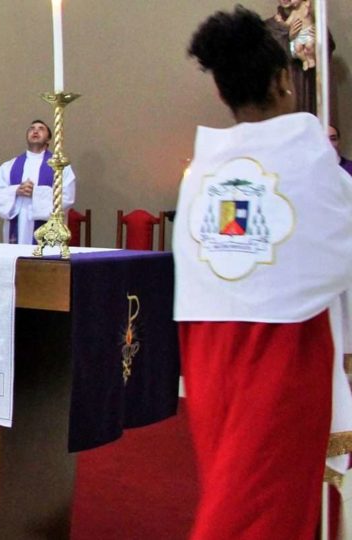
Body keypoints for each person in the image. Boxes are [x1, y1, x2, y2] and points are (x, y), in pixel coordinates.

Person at [176, 7, 352, 539]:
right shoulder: (309, 156)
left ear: (220, 93)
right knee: (260, 507)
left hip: (208, 349)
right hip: (282, 350)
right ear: (283, 80)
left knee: (232, 482)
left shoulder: (202, 169)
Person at [0, 120, 75, 244]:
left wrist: (36, 193)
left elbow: (67, 197)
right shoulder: (9, 166)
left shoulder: (60, 167)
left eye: (41, 128)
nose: (35, 131)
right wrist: (16, 190)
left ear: (49, 139)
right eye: (31, 128)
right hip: (16, 229)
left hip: (49, 233)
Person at [266, 0, 334, 114]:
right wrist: (289, 38)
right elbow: (268, 56)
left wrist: (317, 38)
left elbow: (328, 47)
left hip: (306, 83)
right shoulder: (270, 27)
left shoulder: (314, 21)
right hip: (281, 87)